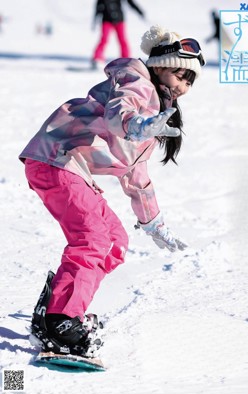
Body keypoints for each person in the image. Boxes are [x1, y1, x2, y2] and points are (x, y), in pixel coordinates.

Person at [19, 25, 206, 358]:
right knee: (92, 240)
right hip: (56, 159)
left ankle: (57, 308)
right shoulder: (138, 83)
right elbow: (120, 111)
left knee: (115, 242)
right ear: (161, 65)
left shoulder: (155, 109)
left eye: (191, 81)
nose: (185, 86)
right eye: (181, 74)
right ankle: (63, 319)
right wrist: (135, 125)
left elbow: (136, 173)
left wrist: (153, 222)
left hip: (69, 166)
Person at [92, 0, 145, 68]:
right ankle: (97, 59)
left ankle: (126, 60)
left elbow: (130, 2)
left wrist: (139, 11)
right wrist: (95, 20)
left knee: (122, 39)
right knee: (104, 39)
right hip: (107, 20)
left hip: (119, 19)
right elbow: (98, 8)